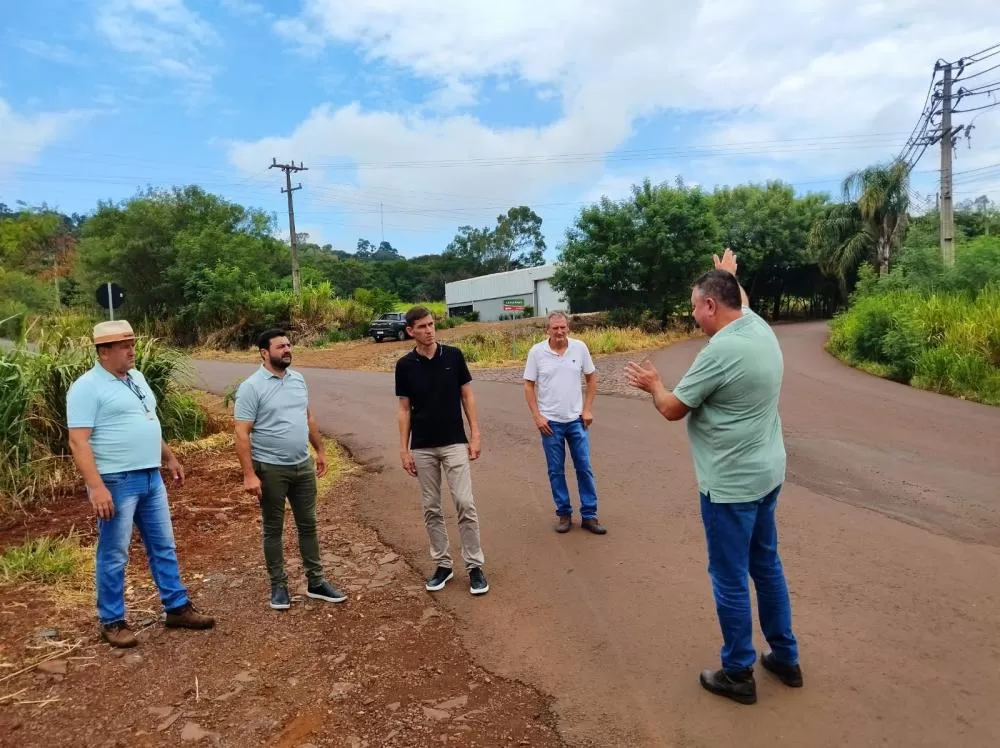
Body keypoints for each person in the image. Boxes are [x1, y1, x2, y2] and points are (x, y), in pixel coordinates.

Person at [625, 249, 802, 706]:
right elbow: (740, 299)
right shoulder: (758, 328)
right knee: (766, 565)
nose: (692, 314)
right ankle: (785, 657)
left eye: (693, 306)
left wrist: (653, 385)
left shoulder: (720, 351)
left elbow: (672, 409)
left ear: (710, 305)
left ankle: (738, 671)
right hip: (767, 474)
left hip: (730, 486)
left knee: (729, 577)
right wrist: (727, 275)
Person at [66, 320, 215, 648]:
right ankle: (112, 620)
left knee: (164, 545)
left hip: (150, 476)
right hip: (116, 480)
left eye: (132, 344)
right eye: (124, 346)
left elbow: (148, 419)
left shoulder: (137, 378)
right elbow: (78, 441)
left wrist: (169, 457)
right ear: (104, 352)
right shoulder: (87, 387)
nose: (132, 350)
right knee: (115, 552)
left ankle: (177, 607)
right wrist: (96, 486)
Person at [234, 328, 347, 610]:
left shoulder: (298, 380)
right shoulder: (251, 387)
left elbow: (308, 418)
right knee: (273, 529)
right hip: (270, 468)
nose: (287, 350)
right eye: (280, 346)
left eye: (288, 345)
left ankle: (316, 582)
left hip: (302, 465)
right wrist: (249, 474)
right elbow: (241, 433)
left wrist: (320, 451)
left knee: (308, 524)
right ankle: (279, 586)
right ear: (264, 353)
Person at [395, 306, 489, 596]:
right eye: (422, 326)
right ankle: (443, 565)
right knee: (431, 507)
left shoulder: (453, 356)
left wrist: (475, 434)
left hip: (454, 442)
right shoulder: (405, 365)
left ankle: (474, 566)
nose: (429, 330)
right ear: (410, 331)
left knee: (465, 503)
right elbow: (404, 409)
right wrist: (404, 449)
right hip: (422, 446)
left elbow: (467, 396)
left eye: (431, 324)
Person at [523, 311, 606, 534]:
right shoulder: (537, 352)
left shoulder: (579, 348)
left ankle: (589, 515)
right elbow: (529, 385)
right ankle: (564, 513)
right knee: (556, 471)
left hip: (577, 420)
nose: (559, 332)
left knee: (584, 467)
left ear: (568, 328)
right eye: (555, 328)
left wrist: (587, 409)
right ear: (547, 330)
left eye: (563, 327)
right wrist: (537, 416)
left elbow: (591, 378)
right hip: (550, 423)